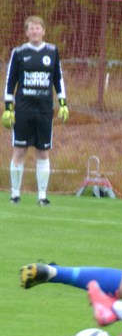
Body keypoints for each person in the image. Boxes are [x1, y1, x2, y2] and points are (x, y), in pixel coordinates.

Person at [3, 16, 69, 206]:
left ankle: (42, 196)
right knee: (19, 151)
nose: (34, 31)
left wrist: (63, 103)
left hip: (44, 110)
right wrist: (8, 107)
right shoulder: (19, 52)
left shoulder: (52, 51)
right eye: (31, 28)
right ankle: (15, 194)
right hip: (23, 110)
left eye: (38, 28)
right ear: (26, 32)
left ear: (44, 31)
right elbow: (10, 81)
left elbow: (58, 78)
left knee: (43, 152)